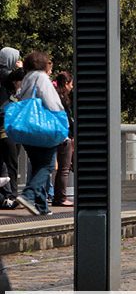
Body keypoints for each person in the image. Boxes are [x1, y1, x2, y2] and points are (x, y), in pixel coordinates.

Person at [15, 51, 65, 216]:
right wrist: (61, 124)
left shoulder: (27, 78)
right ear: (43, 64)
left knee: (38, 165)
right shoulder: (42, 78)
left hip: (27, 130)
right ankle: (28, 196)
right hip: (43, 129)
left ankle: (41, 206)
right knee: (48, 166)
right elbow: (52, 103)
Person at [0, 49, 23, 208]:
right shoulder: (4, 73)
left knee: (4, 163)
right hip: (5, 125)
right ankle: (13, 195)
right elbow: (18, 75)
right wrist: (21, 68)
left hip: (8, 123)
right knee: (11, 162)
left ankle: (6, 196)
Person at [51, 71, 74, 207]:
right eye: (71, 84)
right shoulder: (63, 99)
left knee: (51, 168)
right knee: (64, 169)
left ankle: (55, 196)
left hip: (54, 135)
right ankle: (61, 197)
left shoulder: (53, 95)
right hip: (63, 136)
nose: (72, 87)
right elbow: (68, 120)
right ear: (66, 84)